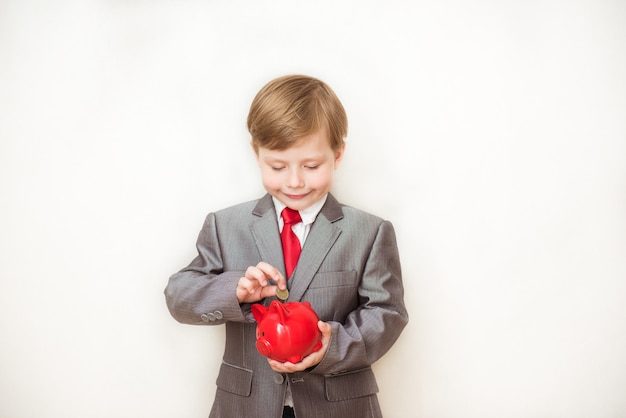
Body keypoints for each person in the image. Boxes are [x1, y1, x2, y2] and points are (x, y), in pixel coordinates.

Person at [164, 74, 408, 418]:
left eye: (312, 166)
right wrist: (234, 290)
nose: (295, 181)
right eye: (277, 166)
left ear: (338, 155)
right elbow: (179, 297)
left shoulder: (369, 231)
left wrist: (331, 345)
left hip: (339, 407)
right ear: (256, 153)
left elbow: (387, 313)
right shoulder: (225, 225)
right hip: (246, 406)